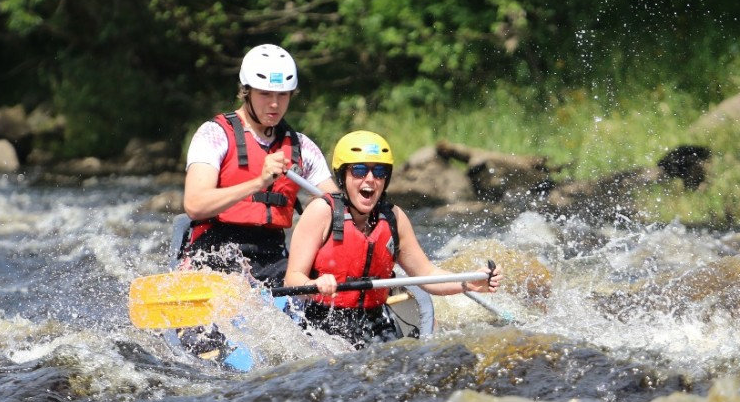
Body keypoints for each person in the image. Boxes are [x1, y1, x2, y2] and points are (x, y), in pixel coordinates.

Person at [284, 130, 502, 348]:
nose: (370, 179)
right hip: (322, 321)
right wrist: (314, 284)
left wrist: (468, 282)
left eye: (379, 172)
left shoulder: (394, 219)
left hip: (375, 321)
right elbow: (293, 278)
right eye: (359, 170)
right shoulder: (321, 212)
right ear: (343, 176)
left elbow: (427, 275)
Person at [180, 44, 339, 285]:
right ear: (246, 92)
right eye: (265, 94)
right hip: (214, 253)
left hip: (273, 256)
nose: (275, 104)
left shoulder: (302, 146)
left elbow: (336, 207)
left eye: (282, 95)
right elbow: (195, 205)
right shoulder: (214, 134)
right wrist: (258, 183)